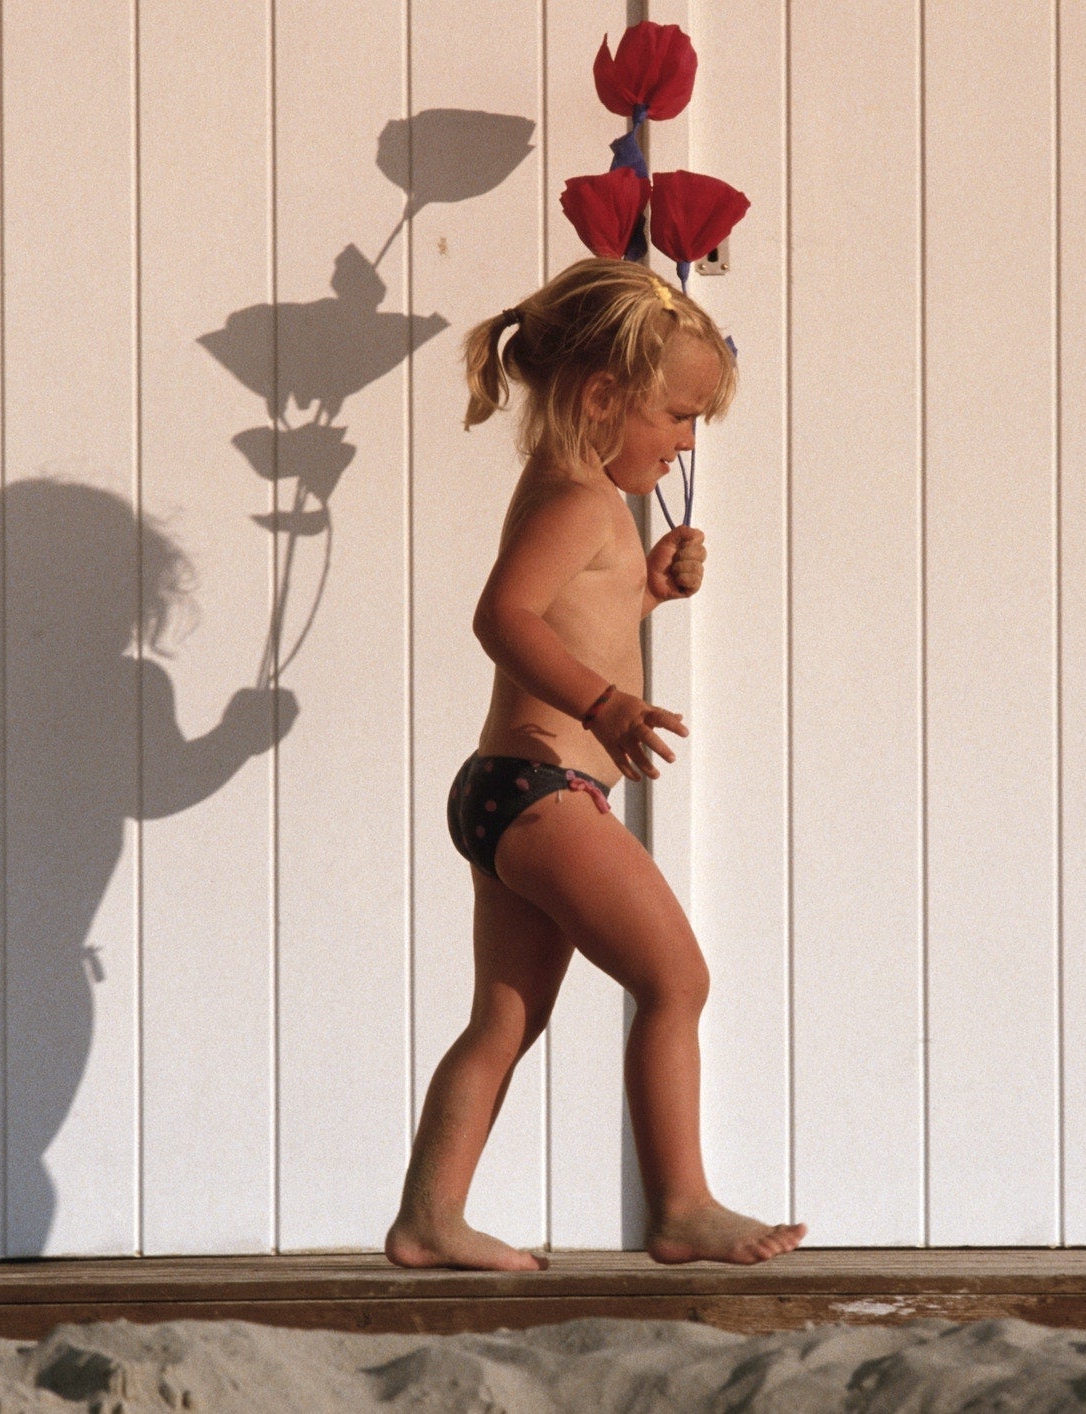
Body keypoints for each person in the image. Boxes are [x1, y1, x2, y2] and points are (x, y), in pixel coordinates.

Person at [384, 259, 808, 1271]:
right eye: (678, 415)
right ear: (602, 396)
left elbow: (573, 612)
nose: (687, 440)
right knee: (676, 979)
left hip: (510, 790)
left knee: (504, 1020)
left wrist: (646, 590)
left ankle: (429, 1217)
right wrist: (603, 703)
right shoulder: (577, 500)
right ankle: (681, 1205)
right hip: (544, 791)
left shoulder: (577, 496)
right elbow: (504, 617)